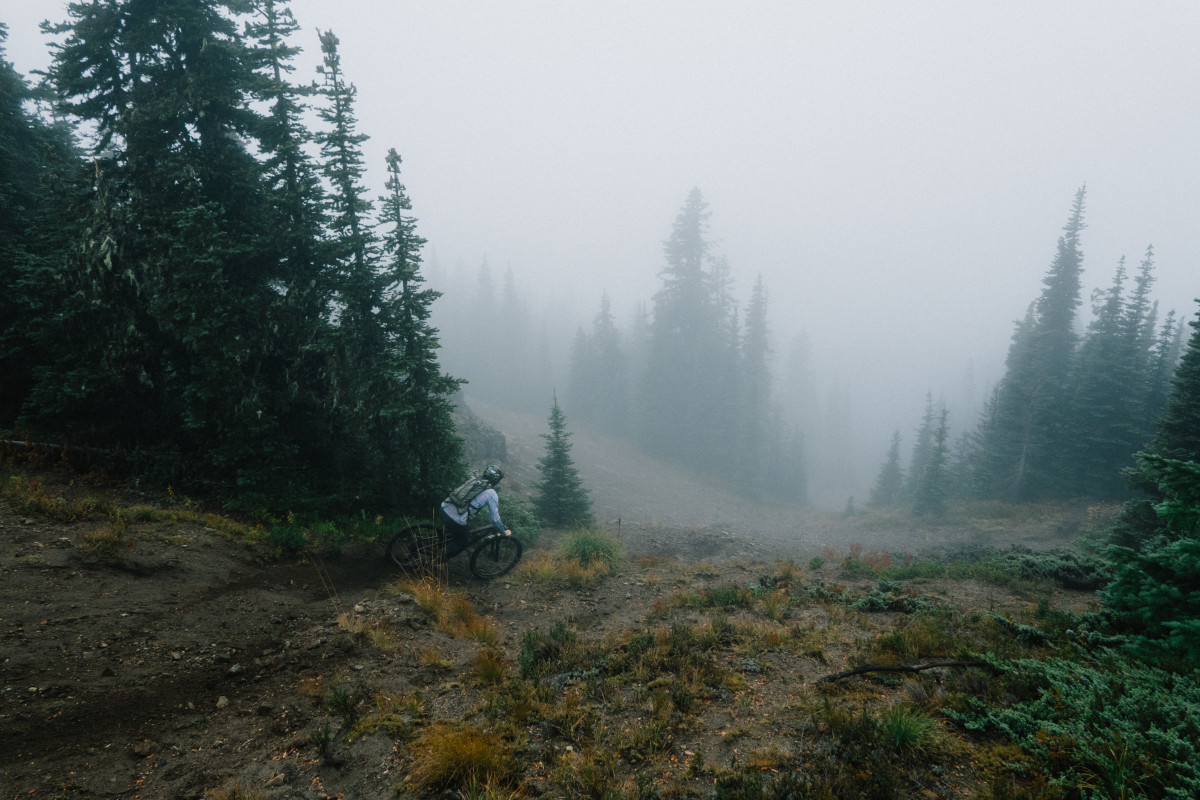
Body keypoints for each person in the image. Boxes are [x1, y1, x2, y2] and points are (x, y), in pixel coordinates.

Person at [438, 464, 512, 548]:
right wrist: (503, 532)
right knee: (462, 543)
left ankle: (441, 546)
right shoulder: (491, 493)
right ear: (496, 479)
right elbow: (494, 519)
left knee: (453, 535)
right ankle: (439, 556)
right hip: (455, 518)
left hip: (443, 507)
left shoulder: (475, 480)